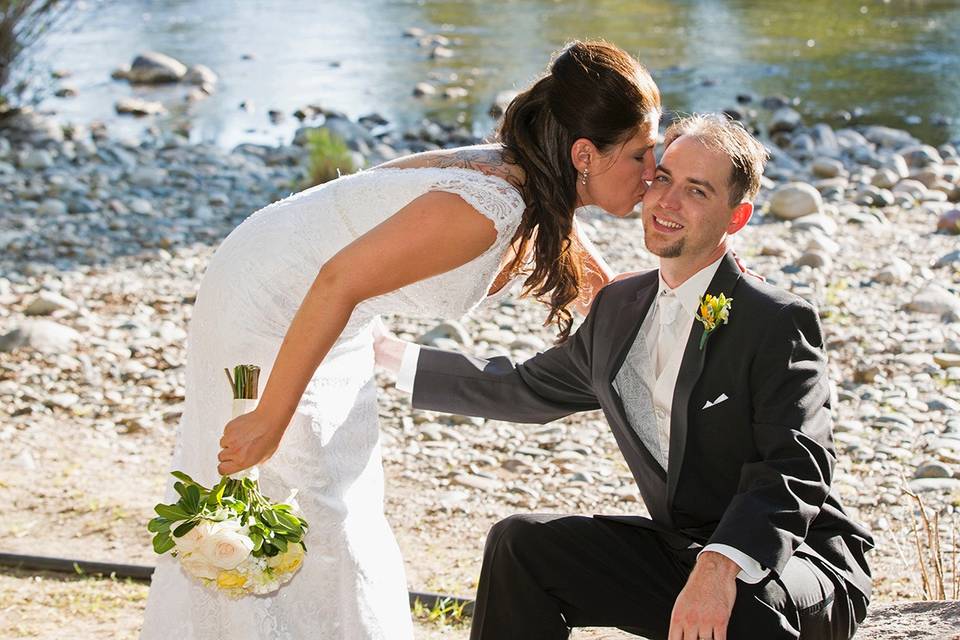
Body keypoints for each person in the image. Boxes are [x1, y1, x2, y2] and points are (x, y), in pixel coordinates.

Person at [140, 40, 662, 640]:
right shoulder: (488, 206)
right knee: (311, 504)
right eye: (643, 154)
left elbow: (386, 192)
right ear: (584, 154)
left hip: (328, 309)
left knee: (339, 499)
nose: (655, 172)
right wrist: (269, 416)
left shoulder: (526, 172)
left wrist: (610, 295)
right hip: (267, 311)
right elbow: (337, 277)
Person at [375, 114, 873, 640]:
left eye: (697, 191)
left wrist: (721, 564)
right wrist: (386, 354)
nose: (668, 202)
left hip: (796, 561)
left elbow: (797, 464)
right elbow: (523, 387)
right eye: (663, 179)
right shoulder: (620, 305)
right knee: (521, 545)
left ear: (737, 217)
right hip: (680, 549)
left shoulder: (774, 318)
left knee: (740, 604)